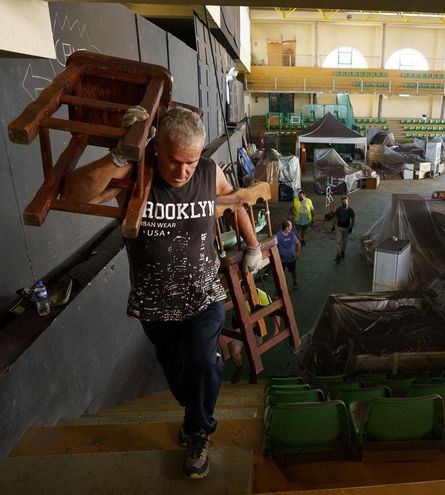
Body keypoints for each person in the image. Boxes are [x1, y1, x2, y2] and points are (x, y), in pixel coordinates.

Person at [62, 105, 264, 479]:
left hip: (203, 294)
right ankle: (194, 415)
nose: (183, 171)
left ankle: (200, 431)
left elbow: (235, 201)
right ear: (156, 148)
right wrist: (121, 153)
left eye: (191, 162)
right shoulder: (137, 173)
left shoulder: (208, 172)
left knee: (205, 364)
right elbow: (75, 195)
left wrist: (254, 246)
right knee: (178, 374)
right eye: (174, 160)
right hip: (154, 304)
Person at [276, 219, 302, 290]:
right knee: (281, 273)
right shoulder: (278, 236)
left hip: (291, 258)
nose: (292, 226)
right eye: (291, 225)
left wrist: (298, 252)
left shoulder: (291, 234)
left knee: (293, 271)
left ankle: (295, 282)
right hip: (282, 260)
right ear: (287, 228)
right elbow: (274, 247)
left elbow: (298, 243)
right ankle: (282, 286)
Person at [331, 196, 355, 262]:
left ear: (348, 201)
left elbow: (353, 220)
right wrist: (333, 226)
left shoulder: (351, 211)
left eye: (345, 201)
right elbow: (335, 218)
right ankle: (338, 255)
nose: (344, 203)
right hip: (339, 228)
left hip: (347, 228)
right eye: (342, 202)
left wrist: (351, 228)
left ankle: (342, 252)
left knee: (344, 242)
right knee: (338, 241)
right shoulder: (339, 210)